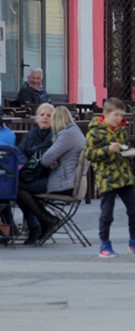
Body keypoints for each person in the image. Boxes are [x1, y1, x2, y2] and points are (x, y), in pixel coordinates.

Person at [16, 105, 84, 245]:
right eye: (42, 114)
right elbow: (20, 151)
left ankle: (42, 221)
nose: (45, 118)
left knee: (17, 188)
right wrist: (29, 160)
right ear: (36, 117)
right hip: (38, 175)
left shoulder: (58, 134)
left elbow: (46, 159)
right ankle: (41, 222)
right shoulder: (32, 133)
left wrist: (34, 156)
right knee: (17, 187)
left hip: (53, 179)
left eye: (49, 115)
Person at [86, 98, 135, 258]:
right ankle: (104, 244)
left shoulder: (121, 130)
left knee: (134, 210)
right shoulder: (95, 131)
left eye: (121, 115)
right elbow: (89, 153)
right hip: (107, 176)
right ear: (106, 114)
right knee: (107, 213)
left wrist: (128, 152)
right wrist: (107, 150)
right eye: (116, 115)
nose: (118, 118)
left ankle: (134, 240)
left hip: (123, 175)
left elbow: (124, 146)